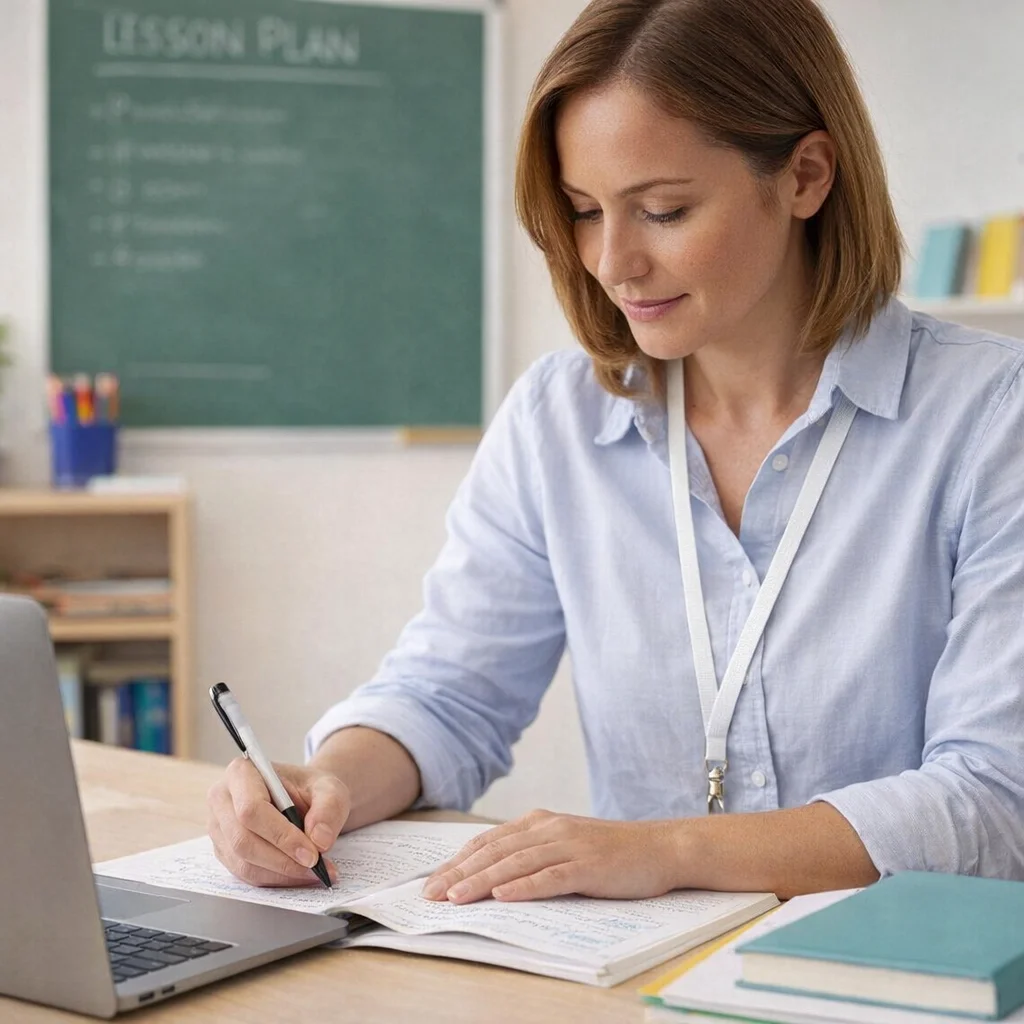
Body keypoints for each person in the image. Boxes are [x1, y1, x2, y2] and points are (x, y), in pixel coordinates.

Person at [207, 0, 1024, 905]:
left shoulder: (991, 418)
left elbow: (995, 799)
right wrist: (333, 785)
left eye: (664, 211)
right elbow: (449, 695)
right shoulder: (558, 420)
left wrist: (669, 850)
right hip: (640, 980)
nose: (612, 262)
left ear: (806, 175)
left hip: (906, 979)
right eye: (585, 212)